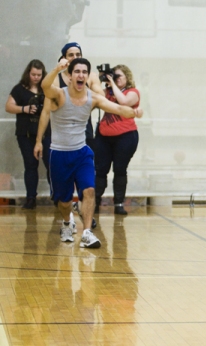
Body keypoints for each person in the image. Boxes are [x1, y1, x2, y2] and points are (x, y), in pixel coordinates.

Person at [34, 58, 143, 248]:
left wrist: (134, 112)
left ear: (87, 76)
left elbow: (118, 108)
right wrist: (56, 68)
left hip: (82, 153)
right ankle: (68, 223)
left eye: (84, 72)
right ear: (70, 76)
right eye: (77, 71)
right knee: (64, 201)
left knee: (89, 191)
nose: (81, 75)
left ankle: (86, 233)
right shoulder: (59, 95)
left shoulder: (93, 98)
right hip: (59, 154)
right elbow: (45, 86)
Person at [36, 42, 103, 225]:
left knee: (87, 183)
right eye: (70, 54)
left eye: (77, 54)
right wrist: (38, 140)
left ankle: (86, 216)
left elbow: (100, 96)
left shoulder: (87, 77)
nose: (74, 57)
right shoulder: (56, 81)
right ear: (64, 58)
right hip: (59, 137)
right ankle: (67, 212)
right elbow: (45, 112)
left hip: (83, 134)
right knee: (62, 188)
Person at [94, 64, 140, 215]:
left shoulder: (132, 92)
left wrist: (112, 83)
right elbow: (94, 97)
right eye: (114, 76)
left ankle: (119, 203)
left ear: (127, 77)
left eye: (118, 76)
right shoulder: (106, 91)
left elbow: (124, 102)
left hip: (125, 136)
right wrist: (100, 79)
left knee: (119, 170)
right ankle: (95, 202)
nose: (115, 79)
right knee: (100, 170)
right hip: (104, 136)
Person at [4, 60, 51, 209]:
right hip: (25, 133)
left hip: (46, 133)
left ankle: (57, 196)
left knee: (51, 165)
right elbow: (8, 107)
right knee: (30, 165)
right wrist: (24, 109)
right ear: (28, 73)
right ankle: (31, 198)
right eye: (33, 74)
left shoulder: (48, 89)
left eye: (39, 74)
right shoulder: (19, 89)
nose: (36, 77)